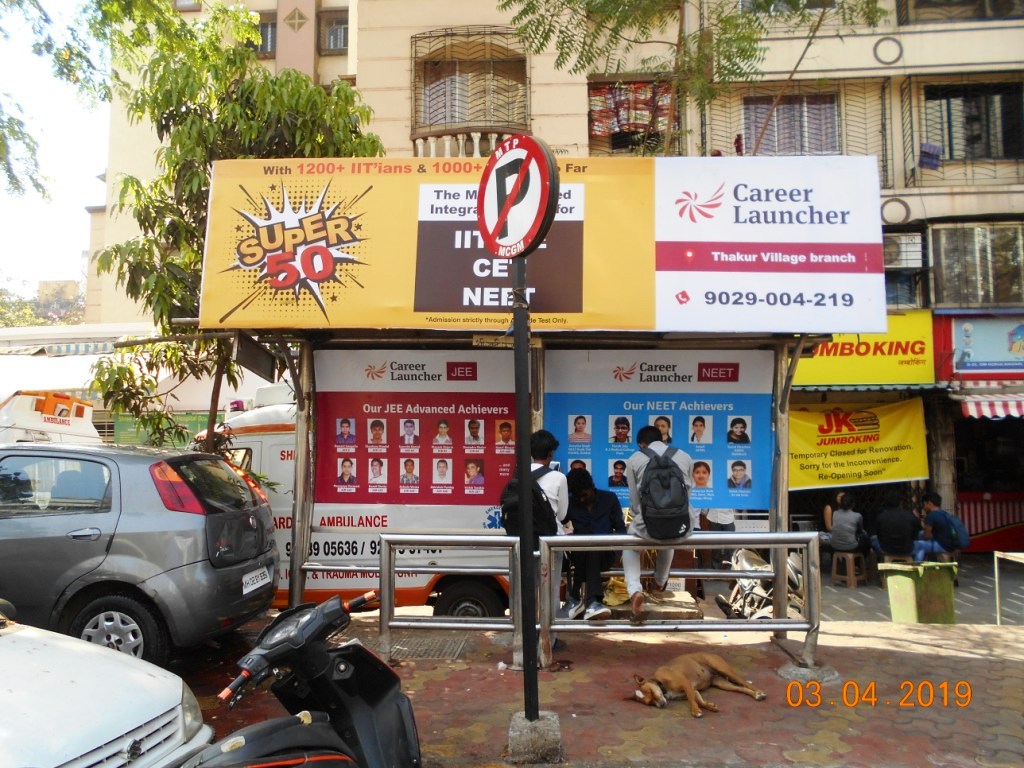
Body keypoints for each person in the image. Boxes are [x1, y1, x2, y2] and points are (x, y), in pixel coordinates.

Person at [623, 424, 693, 624]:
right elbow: (688, 493)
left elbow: (634, 501)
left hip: (649, 519)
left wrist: (642, 518)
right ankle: (659, 583)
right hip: (680, 522)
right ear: (662, 439)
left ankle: (635, 590)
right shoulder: (684, 456)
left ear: (642, 444)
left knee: (630, 546)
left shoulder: (635, 459)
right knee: (668, 540)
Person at [563, 467, 626, 621]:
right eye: (578, 497)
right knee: (587, 546)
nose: (582, 500)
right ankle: (593, 602)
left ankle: (576, 597)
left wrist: (611, 543)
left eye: (584, 495)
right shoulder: (571, 503)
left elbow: (621, 529)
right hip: (579, 555)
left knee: (593, 546)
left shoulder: (609, 499)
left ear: (592, 487)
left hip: (604, 553)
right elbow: (557, 524)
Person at [530, 429, 570, 651]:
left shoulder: (519, 474)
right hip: (550, 541)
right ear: (551, 453)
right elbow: (563, 515)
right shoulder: (558, 477)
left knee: (530, 590)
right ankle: (549, 640)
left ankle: (528, 637)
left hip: (525, 541)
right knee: (551, 590)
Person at [871, 491, 920, 557]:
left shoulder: (881, 517)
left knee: (873, 539)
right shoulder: (910, 515)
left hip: (887, 549)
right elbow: (915, 534)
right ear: (901, 502)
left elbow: (879, 535)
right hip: (907, 549)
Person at [913, 491, 956, 563]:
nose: (924, 507)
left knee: (917, 544)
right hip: (950, 545)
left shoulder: (931, 516)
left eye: (924, 504)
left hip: (941, 546)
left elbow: (927, 536)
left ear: (929, 503)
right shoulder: (945, 514)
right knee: (921, 535)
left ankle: (917, 564)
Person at [830, 492, 870, 556]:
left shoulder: (835, 513)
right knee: (865, 537)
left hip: (834, 546)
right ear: (853, 504)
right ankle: (859, 563)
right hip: (851, 547)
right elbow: (860, 530)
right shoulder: (857, 515)